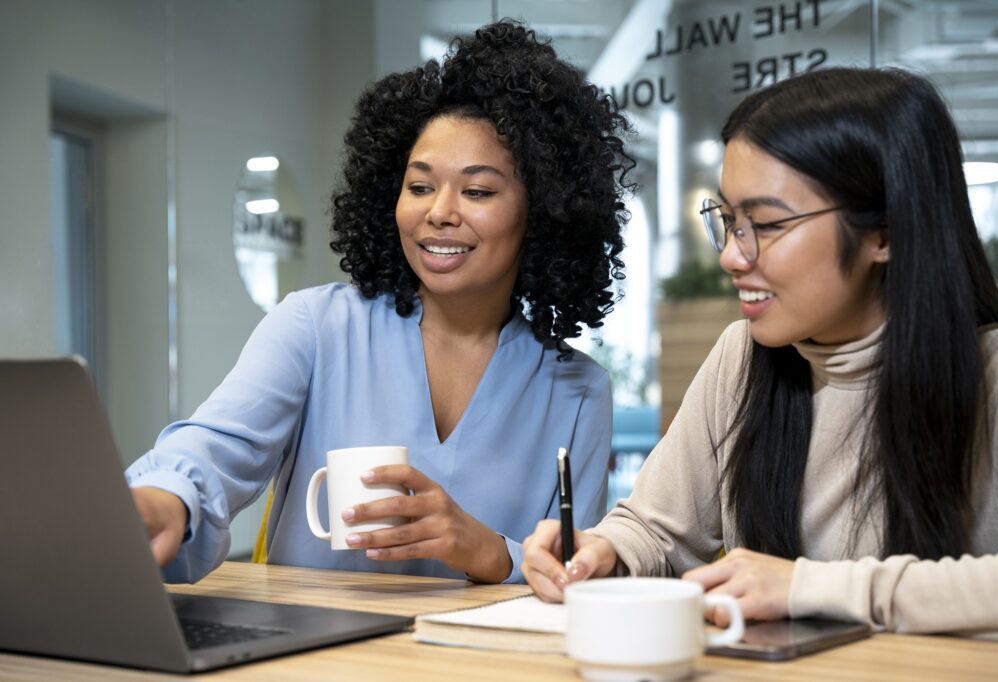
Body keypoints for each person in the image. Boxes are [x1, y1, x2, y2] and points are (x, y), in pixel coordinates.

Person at [522, 66, 998, 639]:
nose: (734, 257)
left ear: (883, 232)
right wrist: (601, 552)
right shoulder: (743, 358)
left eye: (765, 223)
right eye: (731, 222)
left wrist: (809, 588)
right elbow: (658, 530)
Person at [127, 20, 635, 585]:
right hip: (313, 660)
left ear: (543, 213)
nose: (438, 211)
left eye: (478, 191)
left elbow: (577, 570)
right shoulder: (316, 327)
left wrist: (491, 552)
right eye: (419, 186)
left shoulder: (579, 391)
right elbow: (218, 446)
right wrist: (164, 497)